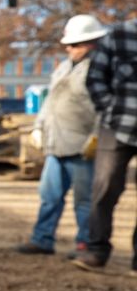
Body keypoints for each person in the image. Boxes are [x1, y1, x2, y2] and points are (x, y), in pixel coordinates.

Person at [16, 15, 105, 256]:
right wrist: (38, 126)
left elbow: (105, 107)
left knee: (84, 201)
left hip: (81, 146)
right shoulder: (64, 67)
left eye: (74, 44)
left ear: (91, 43)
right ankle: (43, 239)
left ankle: (84, 243)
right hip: (56, 144)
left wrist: (96, 137)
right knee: (49, 196)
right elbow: (50, 102)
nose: (69, 48)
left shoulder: (100, 70)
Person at [73, 16, 137, 274]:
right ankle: (97, 250)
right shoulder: (120, 35)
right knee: (104, 187)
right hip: (117, 124)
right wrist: (108, 109)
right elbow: (96, 77)